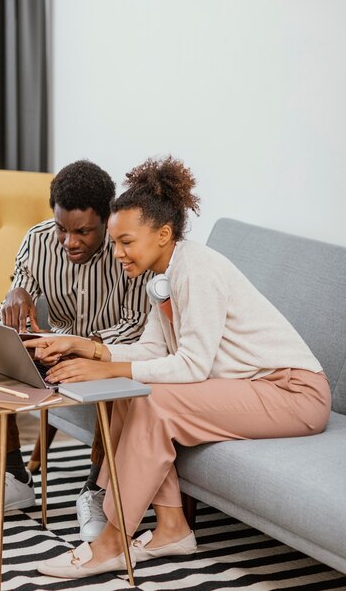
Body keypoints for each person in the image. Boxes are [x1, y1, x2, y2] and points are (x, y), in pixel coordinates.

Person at [25, 156, 331, 579]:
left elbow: (191, 365)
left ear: (164, 234)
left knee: (152, 403)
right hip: (253, 388)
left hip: (293, 393)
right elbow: (151, 348)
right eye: (114, 242)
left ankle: (112, 542)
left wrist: (110, 370)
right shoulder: (162, 276)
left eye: (126, 242)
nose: (117, 254)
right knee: (128, 398)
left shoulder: (197, 270)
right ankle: (171, 528)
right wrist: (89, 349)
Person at [0, 160, 152, 544]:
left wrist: (85, 349)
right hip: (56, 344)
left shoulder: (127, 250)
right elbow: (17, 293)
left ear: (107, 218)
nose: (69, 241)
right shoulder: (39, 239)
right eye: (62, 228)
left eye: (83, 232)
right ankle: (14, 475)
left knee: (112, 373)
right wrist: (16, 296)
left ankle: (96, 490)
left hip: (109, 350)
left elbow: (135, 324)